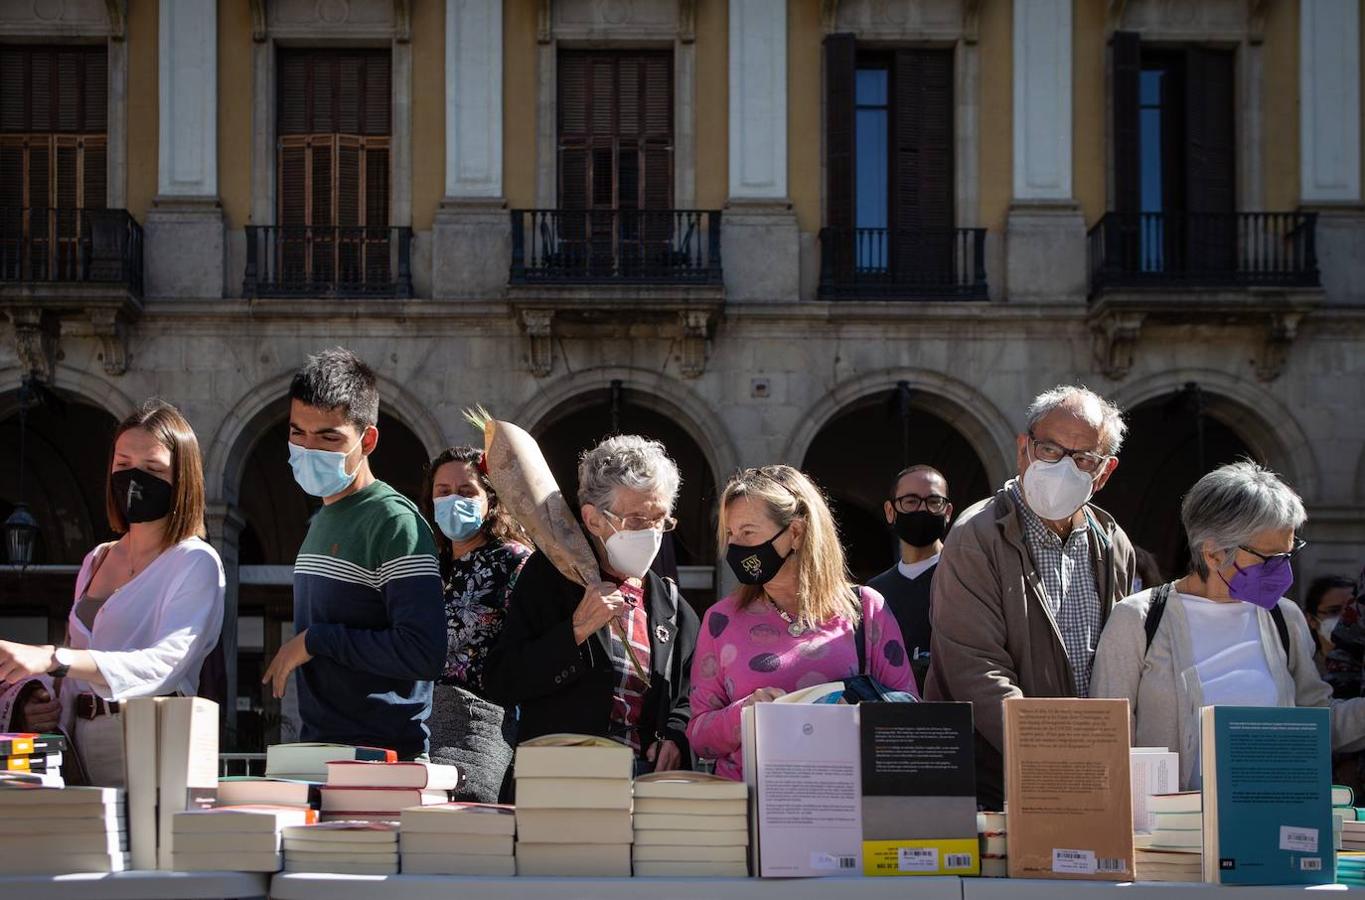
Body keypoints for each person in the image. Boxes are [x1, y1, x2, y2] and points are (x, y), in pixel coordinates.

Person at [1091, 462, 1365, 790]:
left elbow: (1317, 723)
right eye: (1270, 559)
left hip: (1271, 820)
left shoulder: (1284, 617)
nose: (1283, 571)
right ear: (1213, 552)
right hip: (1172, 835)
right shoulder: (1137, 619)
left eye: (1288, 556)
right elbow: (1108, 743)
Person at [925, 385, 1136, 808]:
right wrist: (1054, 761)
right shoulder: (976, 536)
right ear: (1024, 450)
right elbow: (976, 672)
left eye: (1082, 459)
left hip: (1092, 780)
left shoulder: (1113, 544)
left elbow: (1122, 663)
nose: (1062, 467)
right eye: (1050, 450)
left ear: (1104, 471)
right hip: (996, 782)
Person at [0, 400, 225, 787]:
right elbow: (74, 670)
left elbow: (163, 664)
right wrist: (41, 702)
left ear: (182, 479)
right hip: (76, 741)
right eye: (123, 466)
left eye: (152, 469)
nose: (134, 479)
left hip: (152, 743)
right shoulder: (96, 559)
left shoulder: (195, 561)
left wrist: (54, 658)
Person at [261, 348, 445, 759]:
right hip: (320, 750)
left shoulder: (394, 521)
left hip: (381, 758)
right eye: (297, 433)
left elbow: (424, 652)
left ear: (368, 439)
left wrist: (317, 640)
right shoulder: (322, 519)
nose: (309, 448)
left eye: (329, 437)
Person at [485, 435, 699, 775]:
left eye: (660, 520)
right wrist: (576, 630)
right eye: (637, 521)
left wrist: (675, 736)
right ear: (594, 519)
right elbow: (503, 680)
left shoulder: (671, 605)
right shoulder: (551, 578)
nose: (653, 533)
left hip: (645, 783)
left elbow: (689, 697)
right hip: (563, 778)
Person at [687, 465, 915, 781]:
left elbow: (910, 717)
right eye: (730, 534)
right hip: (747, 809)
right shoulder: (720, 620)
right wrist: (746, 714)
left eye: (748, 532)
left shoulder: (865, 609)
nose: (736, 545)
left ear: (795, 532)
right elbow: (699, 736)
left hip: (842, 803)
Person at [421, 445, 532, 802]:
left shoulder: (513, 562)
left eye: (467, 491)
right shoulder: (426, 564)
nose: (454, 499)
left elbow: (527, 645)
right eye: (444, 492)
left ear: (491, 500)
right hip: (419, 723)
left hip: (481, 726)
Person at [868, 464, 952, 689]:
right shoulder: (875, 594)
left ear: (947, 511)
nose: (922, 510)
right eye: (911, 501)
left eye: (934, 502)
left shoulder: (966, 577)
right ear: (890, 511)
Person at [1305, 575, 1356, 677]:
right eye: (1334, 611)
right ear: (1311, 620)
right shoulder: (1303, 671)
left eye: (1351, 610)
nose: (1344, 617)